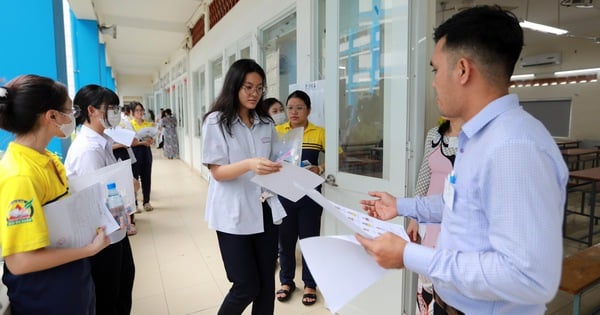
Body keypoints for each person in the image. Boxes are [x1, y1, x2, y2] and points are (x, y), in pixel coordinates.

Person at [357, 6, 569, 314]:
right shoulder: (478, 138)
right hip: (451, 304)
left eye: (435, 70)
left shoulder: (514, 147)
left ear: (462, 70)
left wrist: (408, 255)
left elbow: (528, 276)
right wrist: (401, 206)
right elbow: (461, 205)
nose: (433, 82)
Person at [0, 74, 110, 314]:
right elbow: (20, 262)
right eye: (69, 111)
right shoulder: (20, 175)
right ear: (51, 116)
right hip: (46, 294)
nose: (73, 117)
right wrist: (89, 250)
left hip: (72, 279)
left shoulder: (47, 158)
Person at [202, 58, 285, 315]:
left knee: (266, 287)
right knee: (246, 285)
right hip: (232, 213)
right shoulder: (216, 122)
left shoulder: (265, 122)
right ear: (234, 86)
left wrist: (288, 167)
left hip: (265, 211)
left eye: (259, 88)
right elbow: (217, 171)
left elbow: (275, 160)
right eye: (248, 87)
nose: (254, 93)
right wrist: (249, 164)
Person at [64, 84, 137, 315]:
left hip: (115, 232)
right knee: (109, 297)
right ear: (92, 110)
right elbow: (95, 202)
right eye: (111, 108)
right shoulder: (88, 150)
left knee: (123, 285)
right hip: (102, 238)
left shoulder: (101, 142)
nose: (115, 113)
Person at [406, 118, 461, 315]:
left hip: (457, 223)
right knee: (426, 277)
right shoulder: (434, 134)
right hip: (428, 219)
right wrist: (414, 217)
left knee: (448, 280)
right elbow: (424, 175)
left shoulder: (476, 138)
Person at [275, 90, 324, 306]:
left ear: (309, 110)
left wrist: (320, 167)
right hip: (284, 194)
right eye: (290, 108)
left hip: (310, 196)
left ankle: (310, 284)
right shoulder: (278, 132)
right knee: (285, 242)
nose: (294, 112)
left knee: (309, 241)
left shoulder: (320, 133)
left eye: (299, 108)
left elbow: (338, 158)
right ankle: (286, 281)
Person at [113, 103, 140, 235]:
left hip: (127, 158)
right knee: (119, 192)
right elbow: (106, 147)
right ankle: (124, 221)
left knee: (130, 189)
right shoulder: (103, 130)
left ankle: (131, 220)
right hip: (115, 159)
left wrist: (126, 143)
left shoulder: (123, 124)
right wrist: (120, 144)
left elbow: (134, 140)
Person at [129, 101, 155, 212]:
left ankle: (146, 202)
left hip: (146, 152)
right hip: (134, 152)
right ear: (132, 112)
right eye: (137, 110)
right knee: (134, 178)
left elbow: (152, 139)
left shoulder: (148, 124)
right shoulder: (129, 125)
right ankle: (134, 204)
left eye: (141, 110)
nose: (140, 112)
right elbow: (131, 142)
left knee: (146, 177)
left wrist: (150, 141)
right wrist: (141, 143)